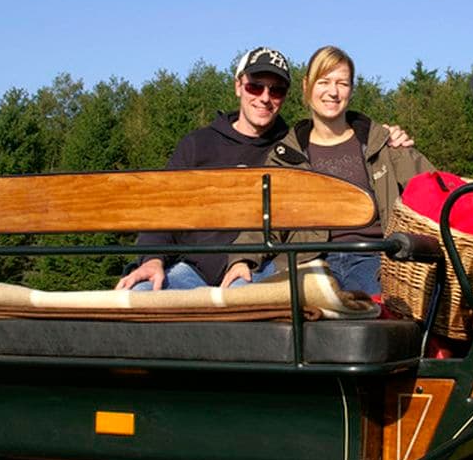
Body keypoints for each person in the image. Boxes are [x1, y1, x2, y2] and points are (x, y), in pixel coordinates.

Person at [117, 46, 418, 291]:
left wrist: (390, 140)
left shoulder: (288, 151)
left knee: (252, 301)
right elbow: (162, 208)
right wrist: (152, 258)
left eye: (275, 90)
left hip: (267, 267)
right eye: (255, 86)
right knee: (142, 293)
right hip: (196, 268)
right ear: (238, 86)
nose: (264, 97)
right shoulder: (200, 144)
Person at [222, 46, 435, 296]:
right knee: (239, 293)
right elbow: (262, 219)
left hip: (374, 258)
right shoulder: (286, 156)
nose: (332, 92)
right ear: (307, 86)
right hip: (306, 262)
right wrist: (241, 260)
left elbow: (435, 191)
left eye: (342, 83)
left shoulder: (383, 144)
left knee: (382, 311)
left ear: (351, 89)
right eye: (324, 82)